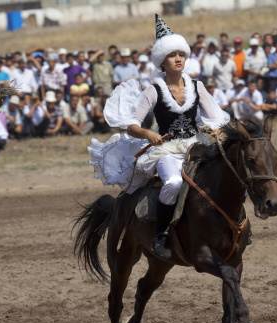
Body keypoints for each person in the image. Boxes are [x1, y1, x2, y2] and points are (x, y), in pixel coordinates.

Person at [88, 15, 229, 259]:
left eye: (181, 54)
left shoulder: (198, 87)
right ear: (162, 61)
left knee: (226, 177)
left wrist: (216, 131)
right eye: (173, 55)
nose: (178, 59)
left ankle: (231, 228)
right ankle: (161, 234)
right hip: (167, 152)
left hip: (196, 149)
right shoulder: (153, 91)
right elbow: (131, 125)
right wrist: (149, 133)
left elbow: (216, 117)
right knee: (173, 184)